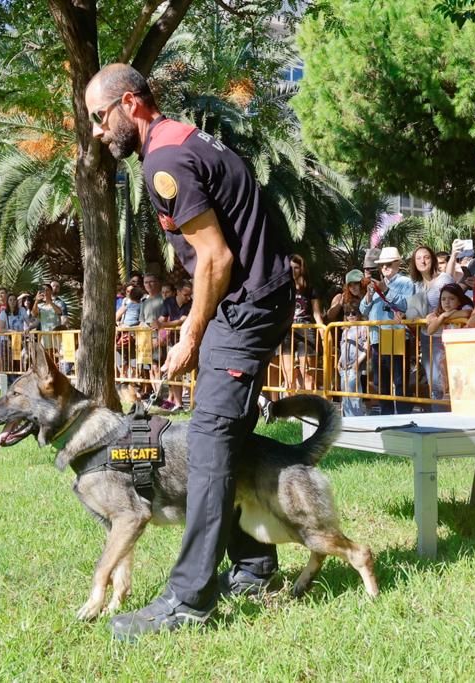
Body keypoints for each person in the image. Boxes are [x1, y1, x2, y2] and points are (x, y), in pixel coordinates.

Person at [86, 62, 295, 637]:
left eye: (100, 118)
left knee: (205, 447)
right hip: (257, 299)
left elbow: (216, 258)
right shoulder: (185, 137)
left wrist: (192, 334)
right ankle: (253, 567)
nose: (99, 133)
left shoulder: (164, 161)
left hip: (243, 307)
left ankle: (189, 600)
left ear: (130, 103)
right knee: (224, 436)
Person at [359, 246, 414, 414]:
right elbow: (362, 310)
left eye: (389, 264)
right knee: (380, 380)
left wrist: (386, 291)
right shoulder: (376, 285)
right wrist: (369, 296)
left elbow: (407, 305)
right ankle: (386, 415)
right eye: (382, 265)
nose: (385, 268)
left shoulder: (405, 282)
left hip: (395, 333)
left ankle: (404, 415)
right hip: (377, 336)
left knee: (399, 379)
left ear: (398, 263)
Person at [406, 245, 454, 406]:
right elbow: (412, 309)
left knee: (446, 381)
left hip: (445, 336)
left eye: (426, 257)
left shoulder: (444, 279)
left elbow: (454, 302)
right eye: (418, 258)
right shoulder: (417, 285)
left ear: (432, 259)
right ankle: (437, 418)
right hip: (427, 337)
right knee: (434, 382)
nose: (422, 261)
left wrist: (437, 315)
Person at [280, 254, 324, 392]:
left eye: (297, 268)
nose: (293, 271)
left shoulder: (309, 288)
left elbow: (316, 313)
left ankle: (308, 410)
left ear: (302, 269)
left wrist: (323, 331)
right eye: (290, 268)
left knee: (308, 374)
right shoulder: (283, 288)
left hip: (305, 329)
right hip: (287, 331)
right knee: (288, 376)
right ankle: (287, 411)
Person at [158, 281, 193, 410]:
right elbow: (163, 317)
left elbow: (182, 321)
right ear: (178, 292)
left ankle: (192, 403)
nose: (188, 297)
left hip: (187, 341)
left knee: (189, 374)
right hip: (172, 341)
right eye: (186, 294)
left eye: (190, 295)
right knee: (174, 372)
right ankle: (178, 404)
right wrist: (156, 322)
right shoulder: (168, 302)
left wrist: (162, 325)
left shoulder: (191, 304)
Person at [337, 304, 369, 416]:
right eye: (347, 313)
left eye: (354, 313)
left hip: (354, 365)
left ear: (359, 315)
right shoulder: (345, 330)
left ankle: (356, 418)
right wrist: (339, 361)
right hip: (344, 367)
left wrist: (358, 362)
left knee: (354, 394)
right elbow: (343, 347)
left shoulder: (362, 327)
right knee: (345, 394)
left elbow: (366, 347)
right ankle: (347, 417)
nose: (350, 316)